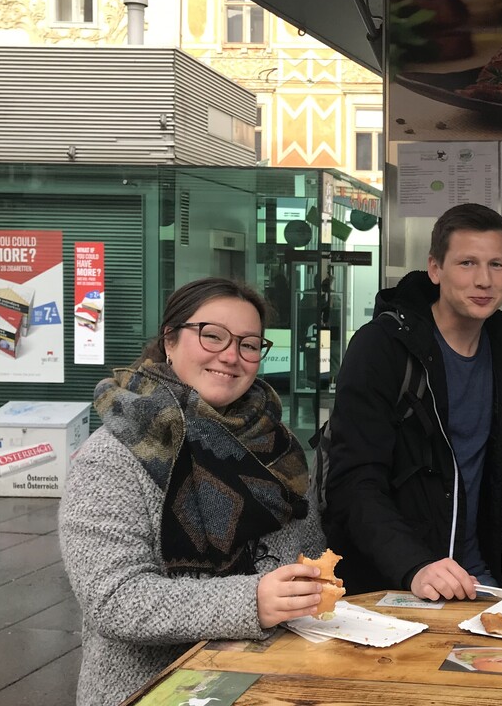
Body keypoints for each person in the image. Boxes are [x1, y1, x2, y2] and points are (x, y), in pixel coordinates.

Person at [60, 278, 326, 706]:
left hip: (274, 684)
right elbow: (114, 599)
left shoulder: (278, 446)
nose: (231, 356)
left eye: (249, 344)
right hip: (156, 690)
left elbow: (309, 555)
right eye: (212, 336)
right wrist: (252, 601)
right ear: (169, 340)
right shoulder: (114, 455)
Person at [323, 203, 502, 601]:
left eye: (496, 265)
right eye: (467, 263)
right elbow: (354, 482)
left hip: (481, 579)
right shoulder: (382, 347)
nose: (483, 279)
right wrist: (413, 565)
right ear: (435, 269)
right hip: (397, 585)